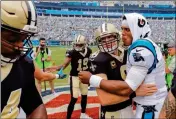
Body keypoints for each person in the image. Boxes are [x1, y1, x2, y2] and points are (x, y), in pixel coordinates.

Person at [79, 13, 168, 118]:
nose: (107, 41)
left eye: (110, 37)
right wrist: (134, 93)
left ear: (117, 36)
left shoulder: (128, 52)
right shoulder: (98, 59)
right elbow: (105, 99)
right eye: (103, 39)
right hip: (112, 112)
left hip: (129, 107)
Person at [1, 1, 47, 118]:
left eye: (24, 39)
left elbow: (35, 106)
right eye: (12, 39)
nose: (20, 46)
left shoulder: (23, 64)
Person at [48, 35, 92, 119]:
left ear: (84, 44)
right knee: (74, 98)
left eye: (80, 45)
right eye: (76, 44)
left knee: (84, 95)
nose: (77, 46)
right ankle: (68, 117)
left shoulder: (89, 51)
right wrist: (58, 68)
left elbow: (90, 63)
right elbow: (65, 63)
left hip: (84, 76)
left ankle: (83, 114)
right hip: (75, 76)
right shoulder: (72, 52)